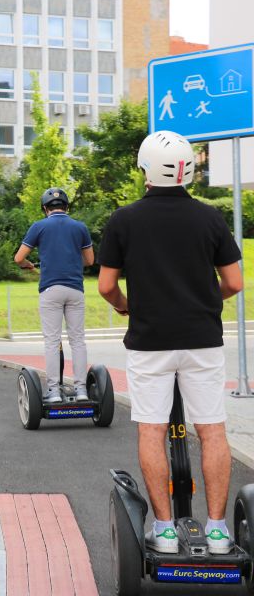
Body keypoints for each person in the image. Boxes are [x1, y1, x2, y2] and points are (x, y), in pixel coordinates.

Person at [98, 130, 243, 555]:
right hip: (201, 340)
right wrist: (199, 300)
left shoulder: (124, 220)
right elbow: (233, 282)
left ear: (144, 169)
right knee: (212, 430)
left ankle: (163, 529)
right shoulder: (210, 218)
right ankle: (217, 532)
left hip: (150, 341)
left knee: (152, 430)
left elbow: (107, 286)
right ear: (189, 172)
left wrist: (128, 306)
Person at [14, 188, 95, 402]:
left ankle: (54, 391)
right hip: (75, 289)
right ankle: (81, 390)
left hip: (50, 289)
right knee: (78, 340)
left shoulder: (39, 226)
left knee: (52, 340)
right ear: (66, 207)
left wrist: (28, 265)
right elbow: (89, 260)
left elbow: (18, 258)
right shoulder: (80, 227)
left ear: (44, 208)